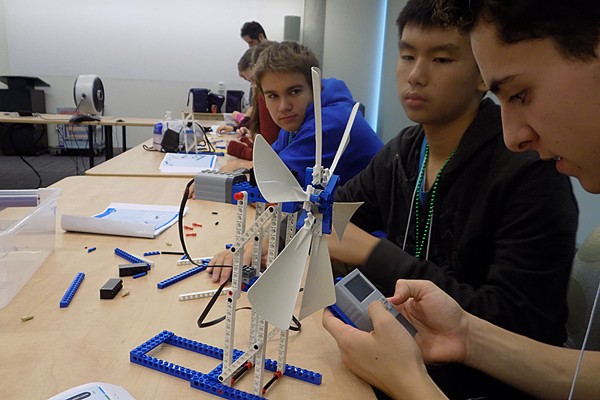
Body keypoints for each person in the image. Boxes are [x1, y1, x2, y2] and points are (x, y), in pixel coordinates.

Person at [323, 0, 600, 398]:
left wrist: (374, 255)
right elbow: (331, 217)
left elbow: (523, 324)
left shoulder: (529, 171)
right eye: (405, 56)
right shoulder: (404, 151)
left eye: (520, 94)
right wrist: (466, 335)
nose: (415, 76)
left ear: (480, 77)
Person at [207, 41, 384, 283]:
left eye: (294, 91)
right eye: (272, 95)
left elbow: (271, 182)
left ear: (315, 87)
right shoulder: (298, 121)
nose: (283, 106)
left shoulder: (328, 122)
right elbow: (272, 169)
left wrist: (246, 246)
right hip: (331, 233)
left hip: (365, 253)